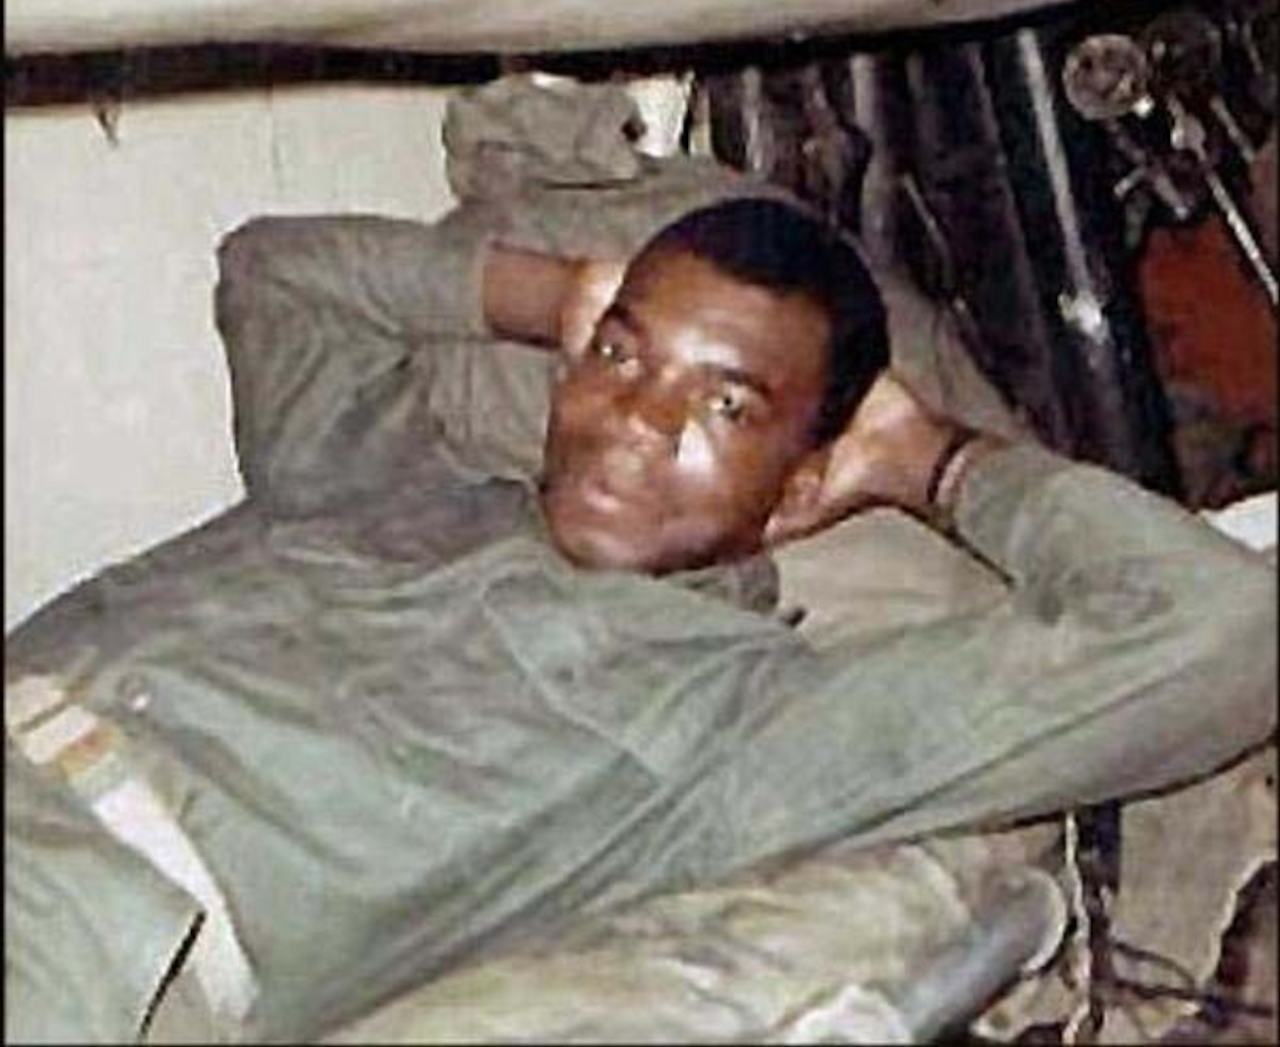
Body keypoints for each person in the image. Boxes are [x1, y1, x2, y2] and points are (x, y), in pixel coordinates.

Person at [6, 195, 1274, 1044]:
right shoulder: (382, 482)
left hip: (82, 937)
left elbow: (1217, 625)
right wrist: (561, 295)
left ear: (801, 482)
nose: (635, 421)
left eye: (725, 407)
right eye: (622, 362)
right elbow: (274, 272)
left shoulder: (736, 722)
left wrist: (931, 458)